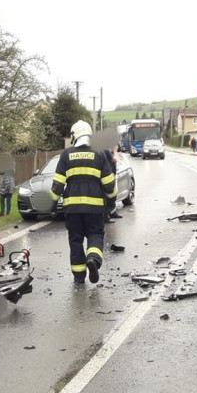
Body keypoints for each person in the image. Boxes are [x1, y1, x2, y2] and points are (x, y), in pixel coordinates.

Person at [51, 121, 117, 284]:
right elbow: (109, 184)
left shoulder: (66, 155)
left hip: (72, 209)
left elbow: (58, 184)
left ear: (74, 136)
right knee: (95, 235)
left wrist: (52, 204)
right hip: (94, 208)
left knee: (75, 240)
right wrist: (111, 201)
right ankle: (93, 260)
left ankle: (79, 277)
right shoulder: (100, 154)